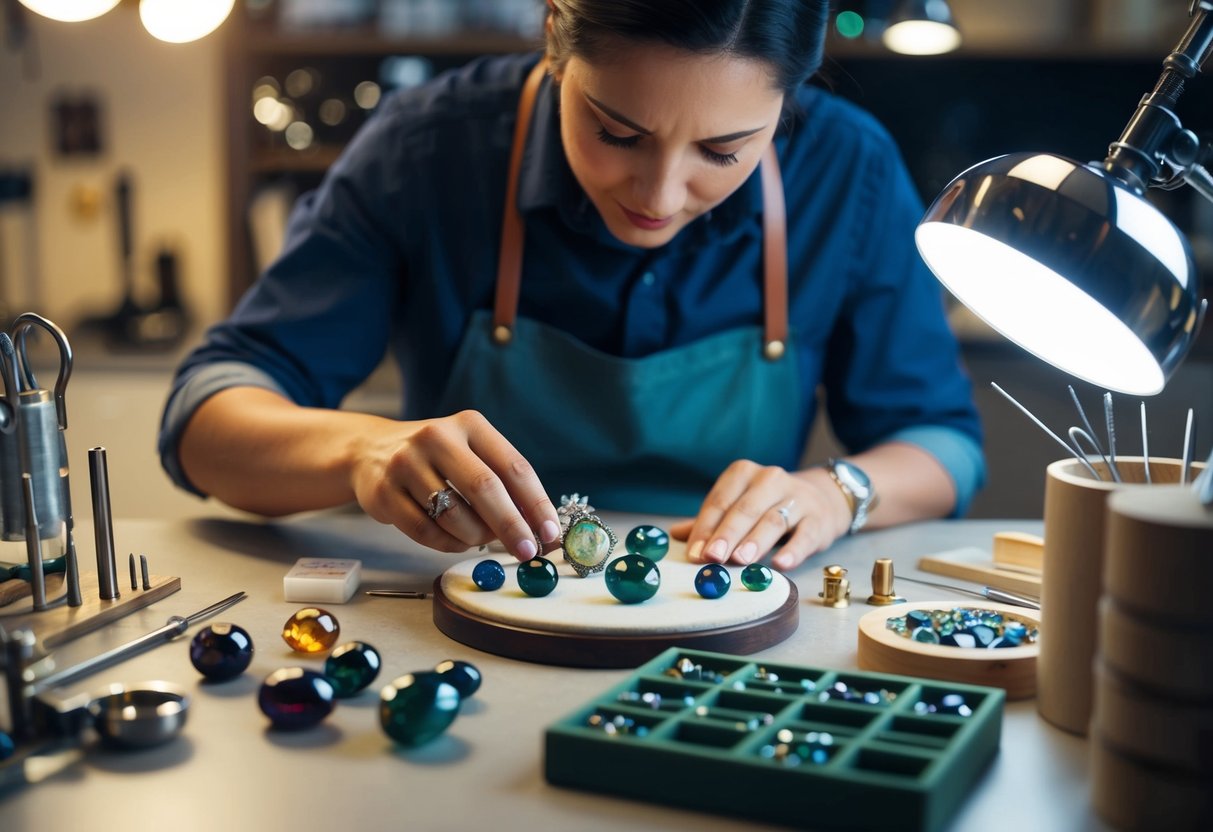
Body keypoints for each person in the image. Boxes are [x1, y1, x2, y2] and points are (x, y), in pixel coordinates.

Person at [159, 0, 984, 573]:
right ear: (555, 36)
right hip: (461, 617)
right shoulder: (427, 151)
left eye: (722, 152)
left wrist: (839, 491)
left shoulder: (847, 167)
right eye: (616, 132)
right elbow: (204, 421)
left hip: (722, 626)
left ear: (790, 97)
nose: (658, 197)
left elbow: (942, 445)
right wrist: (361, 450)